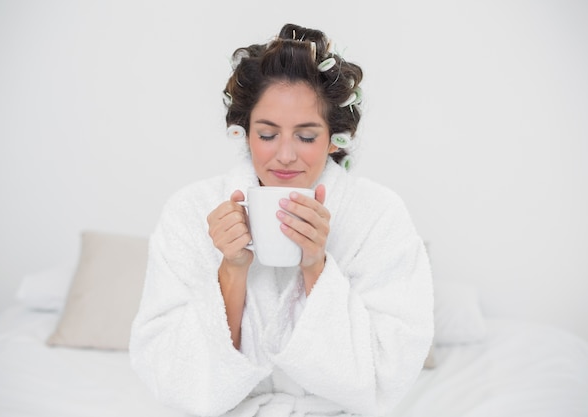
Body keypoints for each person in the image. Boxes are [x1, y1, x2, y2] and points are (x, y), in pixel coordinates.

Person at [129, 23, 434, 417]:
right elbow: (172, 377)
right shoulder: (190, 210)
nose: (286, 155)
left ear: (333, 137)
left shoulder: (377, 213)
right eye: (268, 134)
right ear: (245, 133)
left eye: (306, 137)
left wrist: (316, 267)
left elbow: (390, 371)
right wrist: (232, 270)